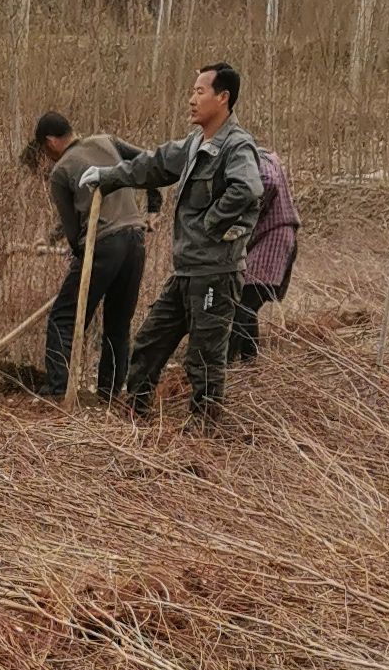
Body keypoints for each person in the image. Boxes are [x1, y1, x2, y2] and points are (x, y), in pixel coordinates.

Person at [79, 61, 267, 426]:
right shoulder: (197, 143)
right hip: (187, 271)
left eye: (200, 92)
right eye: (192, 92)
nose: (191, 100)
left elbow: (249, 188)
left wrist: (211, 224)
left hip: (215, 272)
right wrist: (110, 176)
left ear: (223, 97)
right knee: (149, 343)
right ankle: (135, 418)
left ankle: (204, 435)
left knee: (205, 358)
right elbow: (153, 165)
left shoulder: (236, 145)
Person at [17, 113, 146, 398]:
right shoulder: (105, 140)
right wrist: (155, 202)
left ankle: (58, 389)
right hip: (136, 238)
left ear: (50, 142)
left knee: (63, 318)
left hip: (103, 243)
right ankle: (109, 394)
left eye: (43, 149)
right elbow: (149, 162)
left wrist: (78, 256)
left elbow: (74, 231)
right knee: (117, 323)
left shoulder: (61, 170)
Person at [232, 138, 299, 365]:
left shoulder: (259, 158)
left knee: (245, 302)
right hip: (273, 238)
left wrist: (248, 208)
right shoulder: (266, 158)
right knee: (246, 302)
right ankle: (248, 361)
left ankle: (232, 361)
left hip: (274, 239)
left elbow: (267, 182)